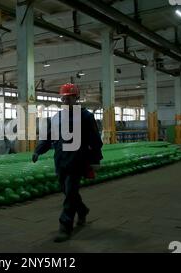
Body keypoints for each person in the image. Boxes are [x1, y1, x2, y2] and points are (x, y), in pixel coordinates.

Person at [32, 83, 103, 242]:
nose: (65, 100)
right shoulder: (57, 117)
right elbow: (48, 137)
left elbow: (95, 140)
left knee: (70, 192)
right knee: (66, 190)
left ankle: (65, 227)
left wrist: (96, 159)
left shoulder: (85, 116)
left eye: (69, 98)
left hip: (78, 160)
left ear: (76, 98)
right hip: (60, 160)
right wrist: (38, 150)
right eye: (63, 98)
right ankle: (82, 210)